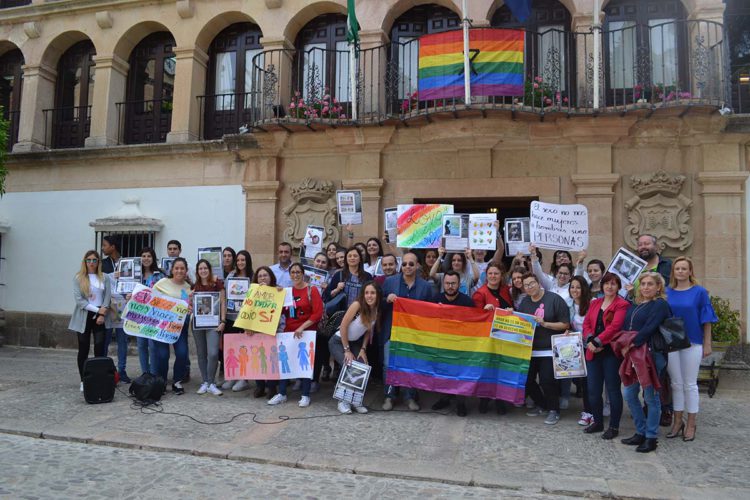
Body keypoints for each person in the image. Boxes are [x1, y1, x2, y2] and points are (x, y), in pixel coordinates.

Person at [665, 256, 717, 442]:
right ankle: (677, 421)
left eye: (684, 268)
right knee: (676, 384)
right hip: (672, 343)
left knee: (690, 384)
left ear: (690, 271)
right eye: (677, 268)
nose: (680, 271)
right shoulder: (667, 292)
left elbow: (707, 319)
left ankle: (692, 423)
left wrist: (707, 343)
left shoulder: (699, 292)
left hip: (693, 341)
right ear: (673, 272)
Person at [618, 272, 671, 453]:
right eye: (644, 284)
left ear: (658, 287)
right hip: (634, 355)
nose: (646, 287)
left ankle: (651, 437)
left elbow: (650, 327)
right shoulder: (637, 305)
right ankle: (640, 431)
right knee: (630, 394)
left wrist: (631, 343)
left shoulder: (660, 304)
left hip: (652, 355)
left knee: (651, 397)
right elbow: (628, 326)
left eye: (650, 284)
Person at [381, 251, 435, 411]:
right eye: (404, 264)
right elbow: (378, 305)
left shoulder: (425, 286)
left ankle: (410, 396)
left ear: (417, 265)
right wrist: (386, 299)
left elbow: (430, 311)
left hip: (414, 334)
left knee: (412, 365)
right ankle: (389, 396)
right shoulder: (390, 282)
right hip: (392, 331)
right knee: (388, 365)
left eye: (411, 264)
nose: (407, 267)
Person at [517, 272, 570, 425]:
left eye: (532, 283)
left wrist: (545, 324)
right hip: (530, 349)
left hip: (549, 349)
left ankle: (554, 410)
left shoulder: (554, 299)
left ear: (538, 282)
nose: (529, 287)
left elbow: (565, 324)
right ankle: (542, 404)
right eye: (526, 285)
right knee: (527, 381)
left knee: (547, 381)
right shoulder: (525, 302)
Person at [268, 263, 324, 407]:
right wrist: (277, 295)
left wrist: (302, 327)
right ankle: (282, 393)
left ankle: (305, 395)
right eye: (292, 272)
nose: (295, 275)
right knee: (285, 363)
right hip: (289, 332)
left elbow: (317, 313)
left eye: (298, 272)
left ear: (303, 273)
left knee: (304, 365)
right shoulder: (287, 291)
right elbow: (281, 311)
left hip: (307, 333)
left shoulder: (312, 290)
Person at [581, 273, 629, 438]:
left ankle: (614, 427)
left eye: (614, 284)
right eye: (607, 283)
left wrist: (598, 342)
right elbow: (586, 323)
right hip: (592, 350)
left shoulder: (622, 304)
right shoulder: (595, 303)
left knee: (613, 389)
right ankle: (598, 422)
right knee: (593, 390)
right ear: (602, 286)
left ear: (618, 287)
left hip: (611, 352)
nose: (610, 286)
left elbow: (615, 327)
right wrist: (589, 340)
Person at [329, 282, 381, 414]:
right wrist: (346, 350)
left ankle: (355, 400)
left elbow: (368, 330)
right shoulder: (357, 305)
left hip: (355, 342)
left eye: (373, 293)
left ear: (378, 295)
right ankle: (343, 401)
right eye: (367, 293)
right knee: (350, 365)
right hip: (338, 341)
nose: (369, 296)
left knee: (362, 365)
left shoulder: (376, 309)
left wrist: (363, 349)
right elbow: (344, 326)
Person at [431, 271, 477, 416]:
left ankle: (461, 403)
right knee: (442, 373)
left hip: (461, 345)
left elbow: (474, 324)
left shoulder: (467, 302)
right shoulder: (435, 300)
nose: (450, 286)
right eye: (447, 283)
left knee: (460, 375)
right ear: (443, 284)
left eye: (453, 283)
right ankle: (444, 398)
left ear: (459, 284)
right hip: (441, 344)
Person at [69, 250, 112, 392]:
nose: (92, 263)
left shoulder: (104, 277)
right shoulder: (78, 278)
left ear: (98, 262)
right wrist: (97, 310)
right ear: (85, 262)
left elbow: (107, 296)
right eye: (89, 260)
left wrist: (102, 312)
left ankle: (98, 378)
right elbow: (79, 301)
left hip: (100, 316)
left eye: (95, 260)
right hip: (84, 315)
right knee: (83, 349)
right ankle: (84, 380)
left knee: (99, 348)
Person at [152, 257, 192, 395]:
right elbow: (151, 300)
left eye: (182, 268)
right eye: (177, 268)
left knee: (182, 353)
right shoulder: (161, 283)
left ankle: (177, 381)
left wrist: (190, 310)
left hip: (180, 328)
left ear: (186, 271)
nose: (179, 271)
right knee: (162, 355)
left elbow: (190, 307)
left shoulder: (188, 288)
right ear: (172, 270)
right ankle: (162, 381)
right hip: (161, 326)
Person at [247, 266, 285, 399]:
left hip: (273, 330)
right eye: (260, 276)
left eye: (265, 275)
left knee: (271, 359)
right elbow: (247, 312)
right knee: (257, 358)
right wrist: (247, 327)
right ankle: (260, 385)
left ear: (271, 277)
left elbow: (284, 310)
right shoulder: (252, 292)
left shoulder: (278, 290)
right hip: (257, 330)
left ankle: (272, 386)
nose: (263, 278)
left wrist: (281, 293)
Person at [192, 259, 226, 396]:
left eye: (205, 268)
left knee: (212, 353)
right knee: (201, 353)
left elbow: (223, 302)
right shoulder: (195, 286)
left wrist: (223, 320)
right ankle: (205, 382)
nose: (203, 271)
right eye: (200, 269)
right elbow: (190, 304)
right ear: (197, 271)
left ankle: (212, 383)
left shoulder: (217, 283)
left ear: (209, 269)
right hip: (198, 324)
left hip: (213, 323)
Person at [223, 250, 254, 392]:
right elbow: (224, 293)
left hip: (246, 319)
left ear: (247, 261)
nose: (240, 263)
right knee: (232, 347)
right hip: (231, 317)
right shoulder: (231, 275)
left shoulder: (253, 277)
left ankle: (244, 378)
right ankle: (232, 376)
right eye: (239, 260)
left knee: (244, 349)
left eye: (243, 260)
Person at [564, 276, 592, 419]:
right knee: (581, 380)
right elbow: (568, 324)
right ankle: (588, 410)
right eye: (572, 287)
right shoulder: (568, 305)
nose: (574, 290)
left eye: (578, 287)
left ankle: (589, 412)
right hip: (576, 347)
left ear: (584, 289)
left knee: (590, 382)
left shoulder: (592, 303)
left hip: (590, 346)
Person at [135, 247, 165, 375]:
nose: (146, 259)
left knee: (153, 346)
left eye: (149, 256)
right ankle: (145, 374)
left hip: (154, 316)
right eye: (143, 256)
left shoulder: (160, 275)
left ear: (153, 258)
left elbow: (165, 295)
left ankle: (153, 374)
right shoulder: (135, 275)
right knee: (141, 345)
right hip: (138, 315)